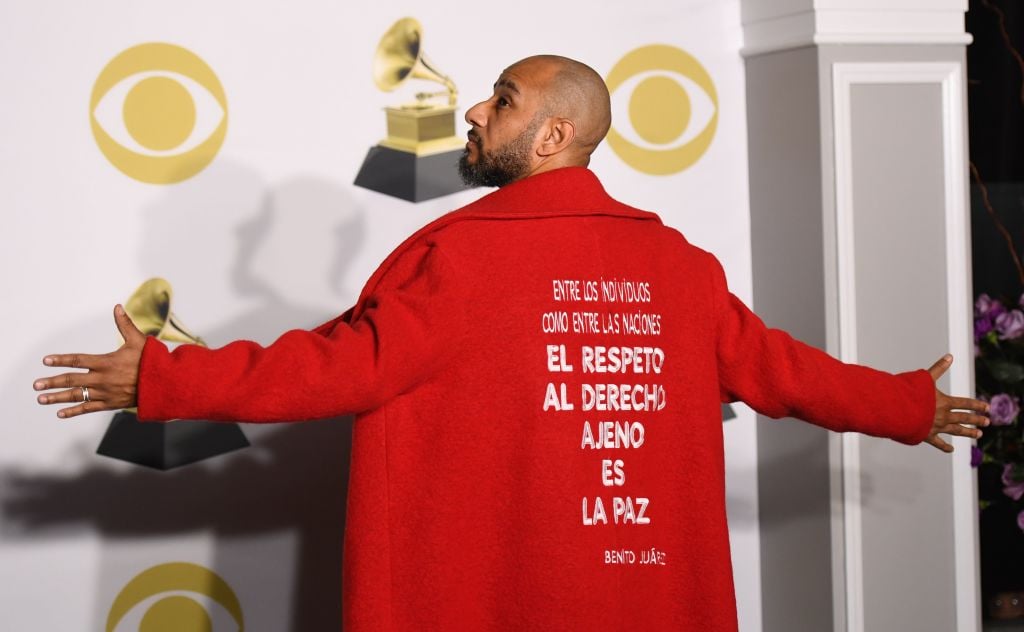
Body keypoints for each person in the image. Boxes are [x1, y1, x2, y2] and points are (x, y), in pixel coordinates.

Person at [33, 55, 989, 630]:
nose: (474, 113)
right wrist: (905, 404)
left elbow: (332, 368)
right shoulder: (678, 268)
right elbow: (783, 372)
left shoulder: (461, 263)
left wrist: (163, 376)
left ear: (553, 134)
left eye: (502, 99)